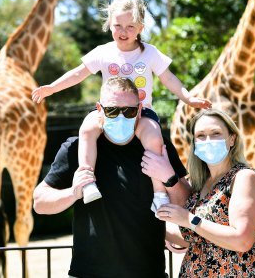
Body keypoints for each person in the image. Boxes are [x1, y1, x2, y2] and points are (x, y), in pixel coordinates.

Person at [32, 0, 211, 211]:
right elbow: (78, 74)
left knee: (154, 136)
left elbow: (169, 79)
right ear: (109, 25)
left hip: (141, 112)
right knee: (87, 128)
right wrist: (52, 88)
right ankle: (87, 181)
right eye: (118, 25)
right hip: (109, 111)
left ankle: (159, 195)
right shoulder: (104, 52)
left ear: (141, 28)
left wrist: (187, 97)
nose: (123, 32)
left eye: (130, 26)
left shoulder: (150, 53)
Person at [33, 77, 191, 278]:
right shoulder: (76, 148)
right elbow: (40, 202)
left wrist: (169, 178)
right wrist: (73, 194)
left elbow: (188, 203)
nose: (121, 117)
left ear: (140, 110)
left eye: (129, 111)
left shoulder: (158, 147)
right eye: (112, 110)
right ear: (99, 109)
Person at [155, 109, 255, 277]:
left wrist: (188, 219)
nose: (208, 140)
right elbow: (194, 238)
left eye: (216, 133)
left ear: (232, 139)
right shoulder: (199, 183)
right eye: (201, 135)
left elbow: (242, 240)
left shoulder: (244, 177)